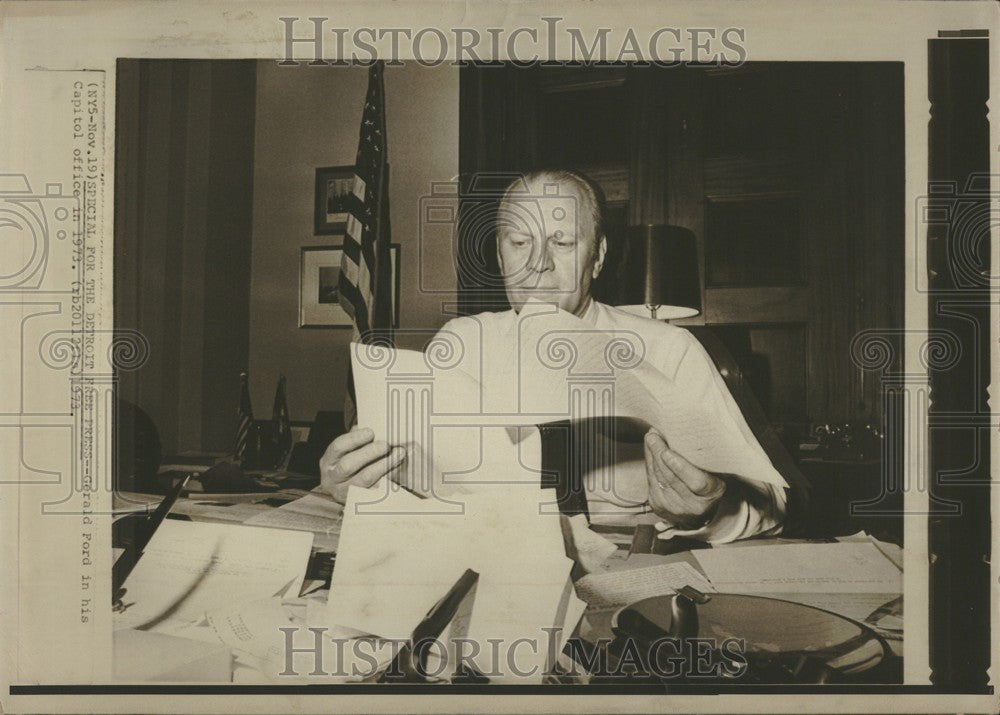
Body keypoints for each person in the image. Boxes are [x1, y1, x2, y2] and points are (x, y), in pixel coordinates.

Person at [321, 169, 786, 543]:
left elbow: (771, 508)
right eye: (519, 242)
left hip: (642, 578)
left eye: (562, 242)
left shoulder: (671, 351)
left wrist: (706, 510)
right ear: (501, 258)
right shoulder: (459, 344)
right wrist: (358, 488)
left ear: (598, 258)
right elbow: (416, 492)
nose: (537, 262)